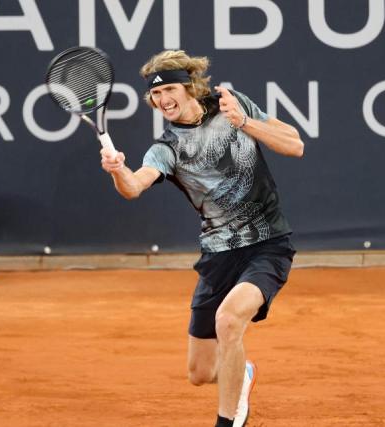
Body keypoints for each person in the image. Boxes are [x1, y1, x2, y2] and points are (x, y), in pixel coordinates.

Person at [100, 50, 304, 427]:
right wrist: (118, 171)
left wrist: (245, 122)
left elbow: (294, 144)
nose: (163, 101)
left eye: (170, 90)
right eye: (156, 97)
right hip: (217, 258)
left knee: (229, 322)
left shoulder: (231, 104)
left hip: (267, 243)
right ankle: (240, 374)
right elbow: (133, 187)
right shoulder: (166, 148)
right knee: (199, 373)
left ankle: (227, 422)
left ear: (191, 87)